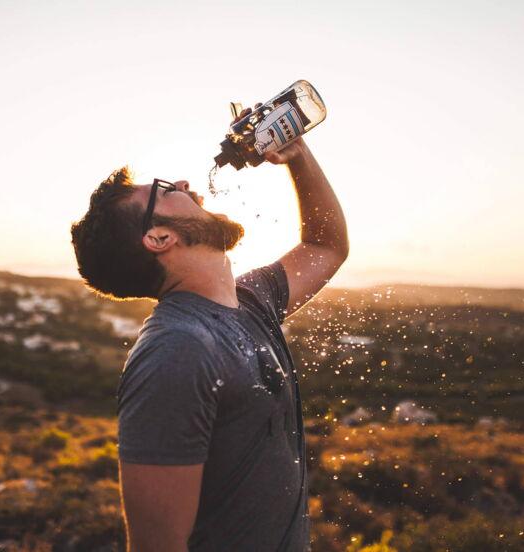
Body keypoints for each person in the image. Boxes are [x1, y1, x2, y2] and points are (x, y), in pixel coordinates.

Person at [70, 106, 348, 552]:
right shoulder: (176, 351)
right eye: (163, 190)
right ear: (159, 238)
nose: (182, 184)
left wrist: (297, 155)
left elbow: (325, 245)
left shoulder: (249, 303)